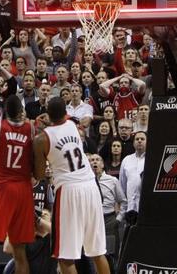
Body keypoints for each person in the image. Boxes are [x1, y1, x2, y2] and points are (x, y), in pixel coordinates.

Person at [32, 97, 110, 274]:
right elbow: (60, 123)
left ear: (47, 113)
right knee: (98, 252)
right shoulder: (74, 126)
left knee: (65, 256)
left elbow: (39, 174)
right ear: (65, 113)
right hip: (90, 186)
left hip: (68, 190)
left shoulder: (41, 139)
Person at [0, 94, 35, 274]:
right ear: (21, 111)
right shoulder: (32, 129)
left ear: (4, 112)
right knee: (19, 250)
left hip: (1, 187)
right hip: (24, 189)